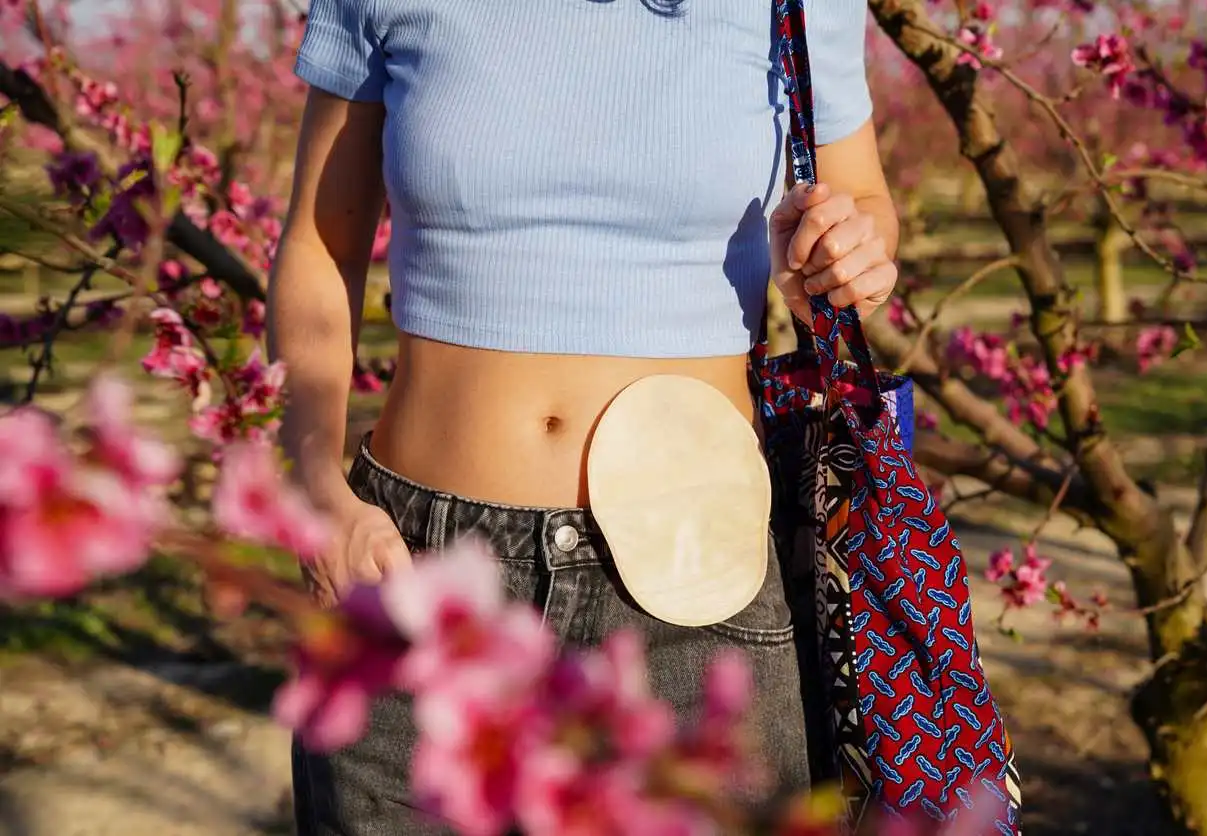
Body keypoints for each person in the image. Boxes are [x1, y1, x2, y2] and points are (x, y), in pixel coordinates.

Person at [268, 0, 900, 832]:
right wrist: (317, 487)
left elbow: (863, 204)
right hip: (418, 571)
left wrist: (851, 250)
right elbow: (322, 241)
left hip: (697, 587)